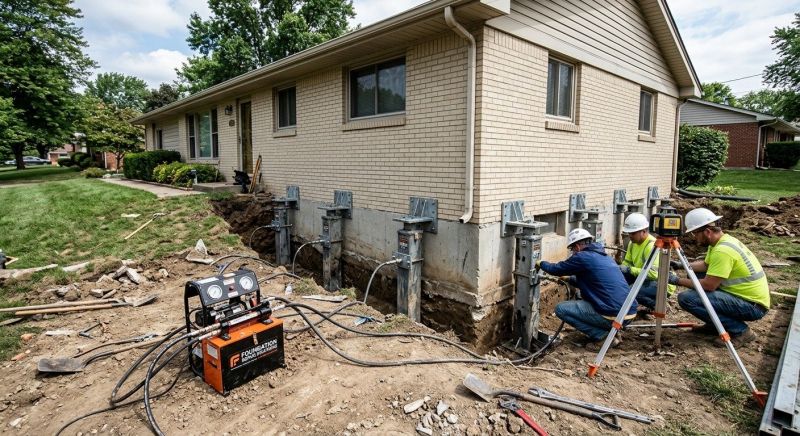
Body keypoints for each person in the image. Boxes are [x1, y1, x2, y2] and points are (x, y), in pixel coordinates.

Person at [674, 208, 769, 347]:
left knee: (687, 299)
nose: (694, 237)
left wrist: (677, 280)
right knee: (693, 274)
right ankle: (715, 324)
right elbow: (706, 266)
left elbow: (708, 285)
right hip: (744, 297)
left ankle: (741, 331)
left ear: (707, 232)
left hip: (752, 306)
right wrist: (680, 265)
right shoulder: (721, 241)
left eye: (695, 233)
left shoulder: (723, 250)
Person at [537, 228, 635, 350]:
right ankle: (613, 333)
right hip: (629, 312)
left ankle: (602, 337)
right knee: (588, 302)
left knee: (561, 309)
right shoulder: (604, 256)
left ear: (577, 246)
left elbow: (556, 269)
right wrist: (568, 279)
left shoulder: (582, 257)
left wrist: (541, 263)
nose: (573, 253)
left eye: (572, 249)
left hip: (613, 313)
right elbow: (593, 283)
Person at [618, 213, 676, 313]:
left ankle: (658, 305)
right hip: (644, 277)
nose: (630, 236)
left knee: (631, 291)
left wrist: (629, 269)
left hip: (662, 283)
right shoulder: (633, 243)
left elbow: (654, 274)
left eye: (633, 233)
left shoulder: (652, 245)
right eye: (629, 233)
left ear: (644, 231)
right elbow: (627, 263)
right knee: (620, 282)